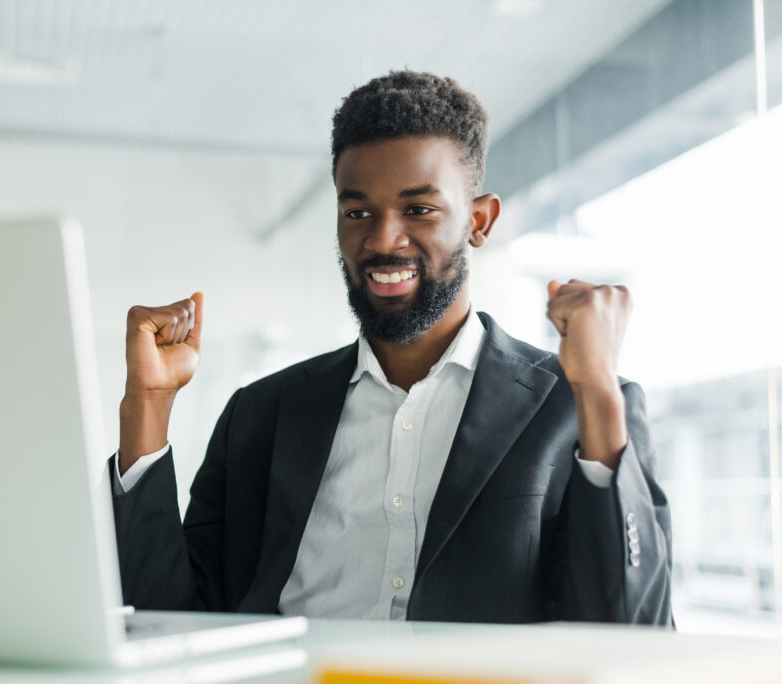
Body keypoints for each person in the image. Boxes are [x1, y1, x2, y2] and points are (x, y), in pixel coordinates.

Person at [109, 71, 672, 624]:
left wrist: (596, 391)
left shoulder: (578, 410)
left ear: (479, 221)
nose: (381, 240)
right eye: (358, 213)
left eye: (419, 210)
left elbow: (630, 631)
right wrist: (148, 406)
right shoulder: (260, 417)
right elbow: (166, 623)